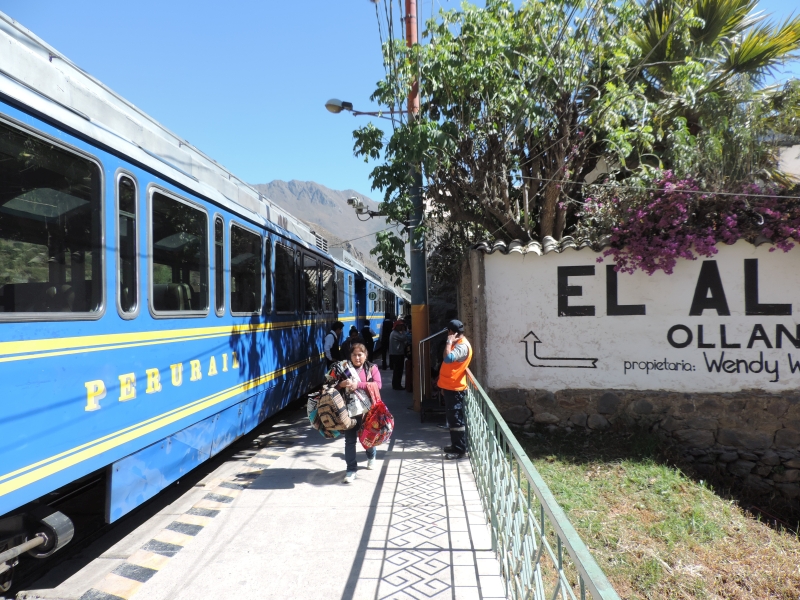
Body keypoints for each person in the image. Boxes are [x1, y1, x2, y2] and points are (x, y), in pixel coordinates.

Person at [333, 343, 381, 483]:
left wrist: (358, 385)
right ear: (350, 356)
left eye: (360, 354)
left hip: (367, 411)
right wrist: (340, 385)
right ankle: (351, 469)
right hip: (348, 411)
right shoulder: (344, 369)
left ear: (365, 356)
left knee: (367, 438)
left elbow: (378, 385)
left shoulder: (372, 368)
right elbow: (332, 386)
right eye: (354, 354)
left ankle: (371, 456)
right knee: (350, 441)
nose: (357, 357)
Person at [438, 319, 472, 460]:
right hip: (450, 386)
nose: (447, 334)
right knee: (453, 419)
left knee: (457, 420)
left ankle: (459, 450)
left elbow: (447, 359)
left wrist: (448, 342)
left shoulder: (461, 346)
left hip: (456, 388)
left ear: (452, 332)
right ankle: (455, 445)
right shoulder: (458, 344)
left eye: (448, 332)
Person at [389, 320, 408, 390]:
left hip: (396, 353)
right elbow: (404, 338)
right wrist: (404, 331)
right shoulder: (395, 334)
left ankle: (396, 384)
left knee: (397, 370)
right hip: (397, 354)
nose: (402, 327)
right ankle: (397, 385)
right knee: (398, 370)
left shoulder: (394, 333)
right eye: (401, 326)